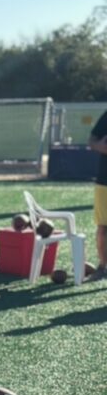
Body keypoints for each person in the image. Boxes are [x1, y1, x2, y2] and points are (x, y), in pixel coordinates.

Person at [87, 110, 107, 281]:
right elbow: (92, 141)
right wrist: (100, 146)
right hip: (105, 182)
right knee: (104, 227)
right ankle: (103, 266)